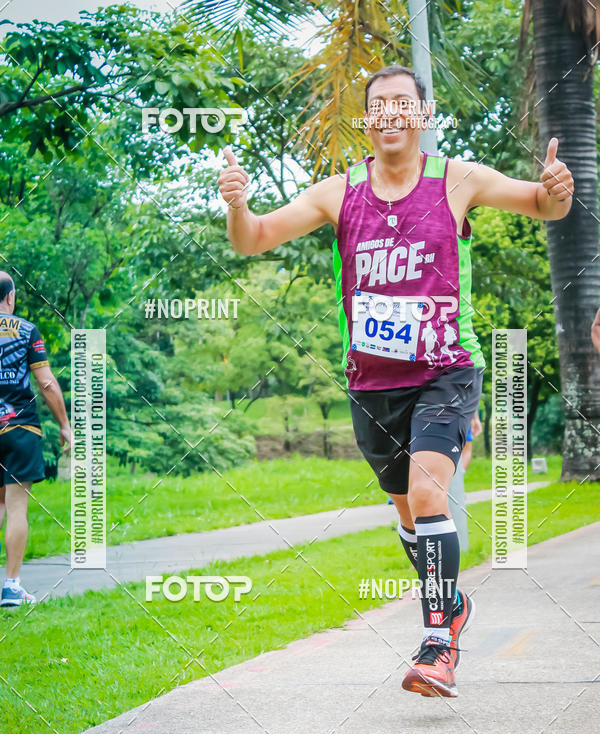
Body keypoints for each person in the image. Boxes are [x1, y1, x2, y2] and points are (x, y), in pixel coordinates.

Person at [218, 64, 573, 698]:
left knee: (431, 497)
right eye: (378, 104)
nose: (390, 114)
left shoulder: (456, 179)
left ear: (422, 114)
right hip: (373, 384)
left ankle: (438, 643)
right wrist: (238, 206)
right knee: (409, 516)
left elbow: (543, 205)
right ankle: (453, 602)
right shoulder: (338, 192)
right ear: (368, 117)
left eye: (401, 104)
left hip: (446, 371)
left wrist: (557, 186)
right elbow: (254, 241)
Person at [0, 273, 72, 607]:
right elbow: (46, 383)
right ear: (10, 297)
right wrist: (64, 424)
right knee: (15, 506)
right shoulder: (27, 331)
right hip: (20, 428)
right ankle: (11, 587)